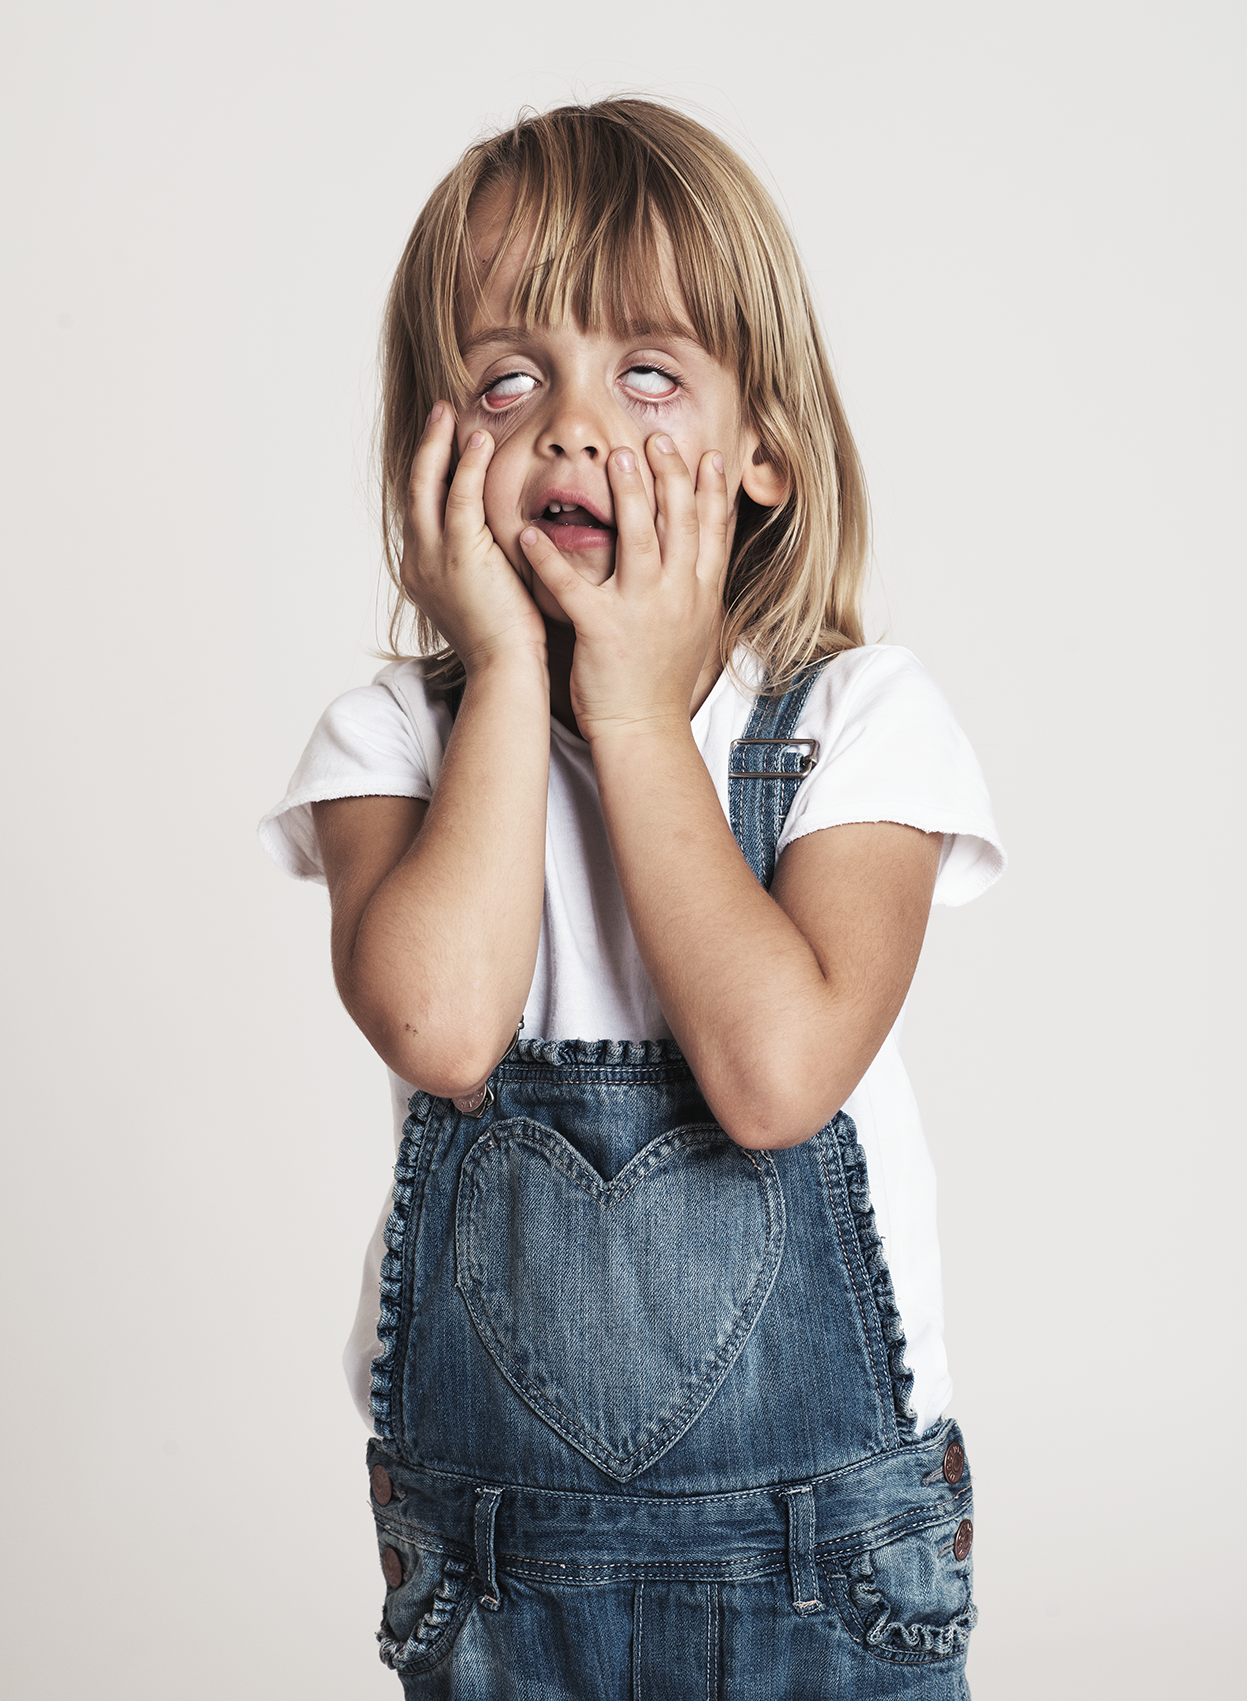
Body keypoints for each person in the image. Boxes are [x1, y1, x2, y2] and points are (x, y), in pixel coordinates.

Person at [260, 97, 1004, 1700]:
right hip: (496, 1570)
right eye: (507, 380)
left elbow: (773, 1077)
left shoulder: (856, 724)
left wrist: (637, 709)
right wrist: (511, 669)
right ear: (431, 455)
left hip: (827, 1560)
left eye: (648, 372)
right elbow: (442, 1029)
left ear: (765, 454)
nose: (574, 426)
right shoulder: (393, 744)